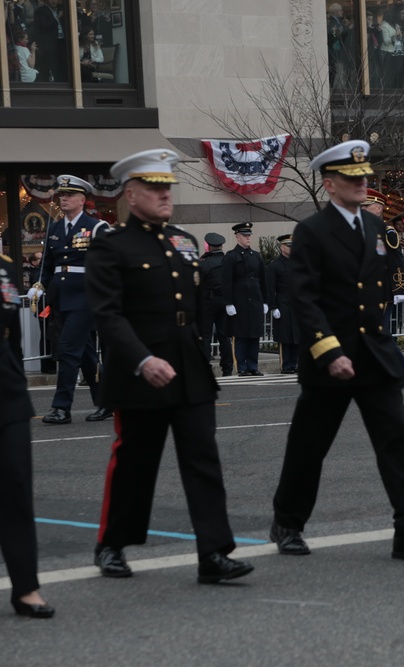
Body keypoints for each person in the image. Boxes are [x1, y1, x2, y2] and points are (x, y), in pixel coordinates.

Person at [269, 140, 404, 561]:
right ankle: (288, 522)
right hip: (331, 358)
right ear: (330, 184)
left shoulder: (374, 229)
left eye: (364, 175)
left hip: (374, 353)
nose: (362, 182)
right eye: (352, 178)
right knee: (309, 446)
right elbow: (305, 298)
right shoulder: (312, 232)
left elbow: (380, 286)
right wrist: (330, 351)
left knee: (397, 443)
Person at [85, 148, 254, 583]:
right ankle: (112, 544)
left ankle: (214, 553)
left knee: (203, 458)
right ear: (132, 194)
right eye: (155, 188)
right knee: (135, 462)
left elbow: (196, 303)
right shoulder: (111, 244)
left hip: (188, 364)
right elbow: (107, 313)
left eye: (167, 188)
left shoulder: (182, 240)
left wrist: (198, 347)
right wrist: (142, 359)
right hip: (140, 369)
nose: (165, 196)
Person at [0, 252, 55, 619]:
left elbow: (13, 337)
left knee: (16, 492)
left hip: (6, 396)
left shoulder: (3, 267)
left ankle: (25, 587)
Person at [30, 175, 109, 424]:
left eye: (69, 195)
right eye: (61, 195)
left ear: (82, 200)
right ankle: (107, 402)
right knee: (84, 354)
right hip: (60, 296)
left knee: (67, 351)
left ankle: (61, 407)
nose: (63, 198)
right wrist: (39, 284)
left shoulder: (97, 227)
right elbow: (48, 264)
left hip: (85, 297)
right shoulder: (54, 228)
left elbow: (108, 266)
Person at [361, 188, 404, 380]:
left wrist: (399, 287)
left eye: (368, 206)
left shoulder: (387, 231)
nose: (363, 209)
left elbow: (395, 260)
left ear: (379, 208)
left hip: (382, 291)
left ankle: (400, 369)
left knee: (379, 331)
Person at [221, 222, 267, 376]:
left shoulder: (256, 256)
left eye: (249, 235)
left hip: (255, 300)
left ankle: (253, 366)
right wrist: (228, 303)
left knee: (254, 335)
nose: (248, 238)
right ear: (237, 237)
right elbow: (226, 282)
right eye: (245, 235)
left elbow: (263, 280)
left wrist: (265, 301)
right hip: (239, 301)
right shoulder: (231, 256)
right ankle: (241, 366)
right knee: (241, 335)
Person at [197, 232, 233, 376]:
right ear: (221, 245)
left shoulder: (204, 264)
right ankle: (227, 368)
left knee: (205, 336)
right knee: (224, 337)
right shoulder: (228, 261)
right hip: (225, 302)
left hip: (207, 302)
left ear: (208, 246)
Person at [266, 233, 300, 374]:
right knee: (285, 337)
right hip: (283, 305)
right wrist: (273, 307)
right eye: (288, 246)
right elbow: (270, 289)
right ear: (282, 247)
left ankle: (296, 364)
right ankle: (286, 365)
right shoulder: (275, 266)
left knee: (297, 337)